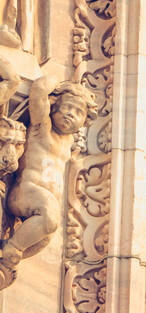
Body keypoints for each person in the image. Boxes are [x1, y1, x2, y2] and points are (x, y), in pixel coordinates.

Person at [2, 75, 93, 275]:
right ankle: (13, 248)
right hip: (26, 193)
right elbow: (39, 91)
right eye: (67, 107)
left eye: (78, 112)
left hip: (43, 203)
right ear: (54, 106)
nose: (70, 114)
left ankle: (8, 257)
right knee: (49, 218)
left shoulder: (69, 142)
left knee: (45, 235)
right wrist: (59, 83)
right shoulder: (42, 129)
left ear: (85, 121)